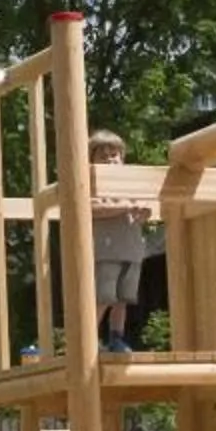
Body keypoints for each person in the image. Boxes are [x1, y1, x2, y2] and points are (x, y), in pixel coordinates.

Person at [86, 128, 151, 353]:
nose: (109, 159)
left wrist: (144, 212)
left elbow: (144, 210)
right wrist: (123, 207)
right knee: (103, 297)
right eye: (102, 155)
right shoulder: (91, 184)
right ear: (91, 161)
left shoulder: (129, 185)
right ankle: (88, 340)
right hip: (106, 249)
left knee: (123, 298)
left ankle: (116, 337)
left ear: (122, 158)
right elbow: (91, 209)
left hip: (130, 249)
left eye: (114, 155)